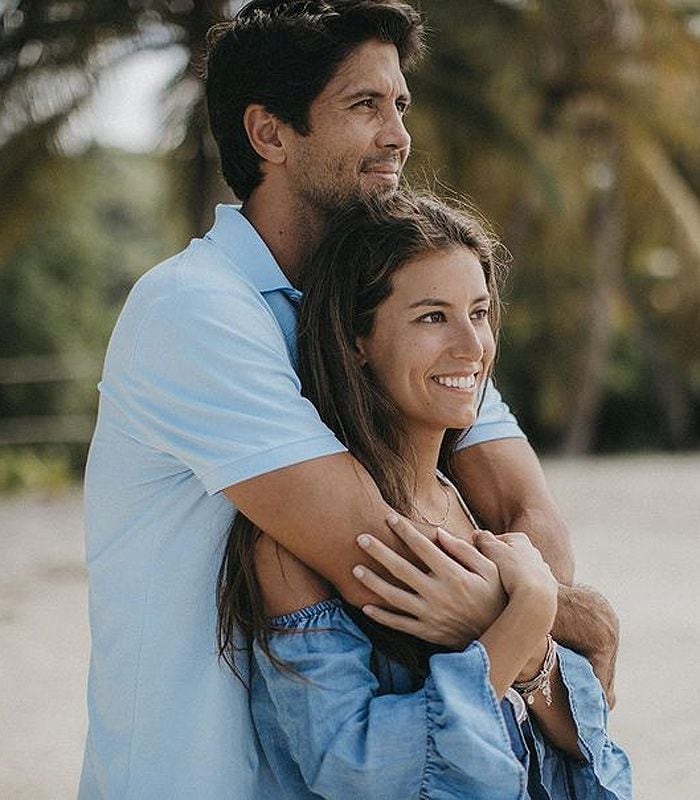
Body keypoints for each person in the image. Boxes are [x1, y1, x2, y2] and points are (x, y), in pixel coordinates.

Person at [80, 1, 619, 797]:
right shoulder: (195, 309)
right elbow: (382, 559)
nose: (399, 135)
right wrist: (561, 617)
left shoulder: (394, 305)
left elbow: (530, 522)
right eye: (364, 106)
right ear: (270, 135)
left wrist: (534, 601)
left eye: (399, 105)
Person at [217, 191, 631, 799]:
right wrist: (528, 614)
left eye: (480, 311)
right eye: (432, 317)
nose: (472, 345)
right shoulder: (292, 544)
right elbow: (355, 764)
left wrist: (527, 648)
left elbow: (583, 739)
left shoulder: (468, 507)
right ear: (357, 340)